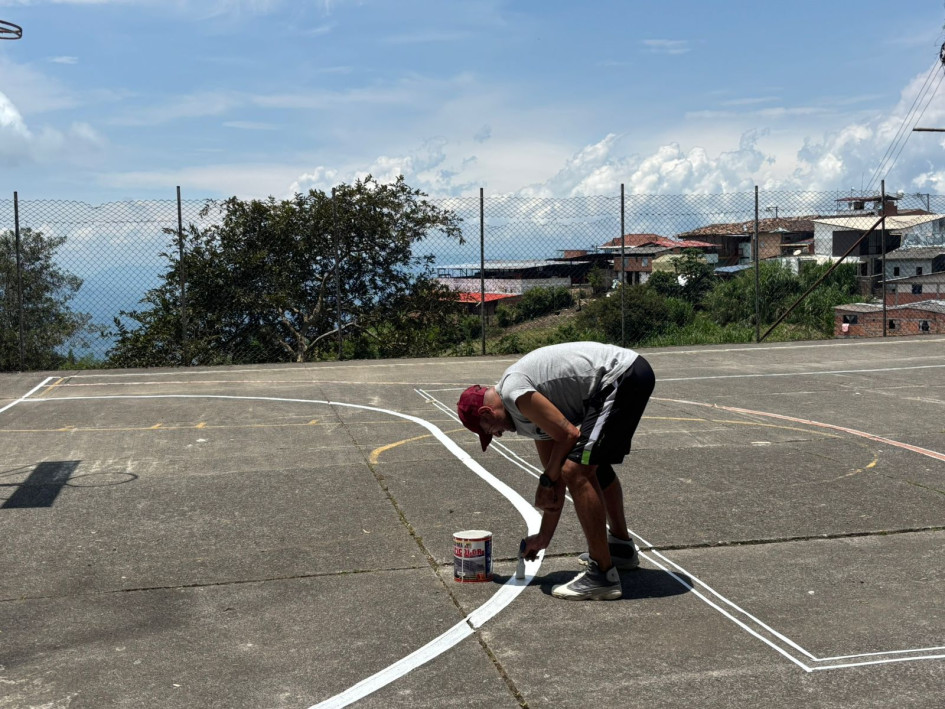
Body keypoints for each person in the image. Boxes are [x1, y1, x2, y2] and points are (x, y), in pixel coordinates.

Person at [457, 341, 654, 601]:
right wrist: (543, 537)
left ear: (486, 412)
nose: (498, 434)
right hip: (622, 378)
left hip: (621, 375)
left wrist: (548, 478)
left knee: (578, 471)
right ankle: (620, 549)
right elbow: (554, 476)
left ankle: (602, 576)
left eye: (489, 430)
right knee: (592, 468)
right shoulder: (524, 414)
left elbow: (568, 437)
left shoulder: (515, 392)